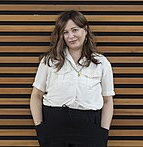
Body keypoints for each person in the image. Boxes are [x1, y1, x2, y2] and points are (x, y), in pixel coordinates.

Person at [30, 10, 115, 147]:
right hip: (54, 125)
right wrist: (40, 128)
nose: (71, 36)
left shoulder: (101, 63)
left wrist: (103, 132)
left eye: (75, 30)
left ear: (85, 30)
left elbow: (107, 101)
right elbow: (36, 96)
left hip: (89, 127)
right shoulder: (49, 61)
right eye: (65, 32)